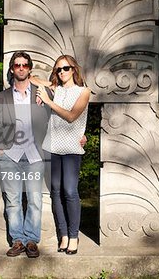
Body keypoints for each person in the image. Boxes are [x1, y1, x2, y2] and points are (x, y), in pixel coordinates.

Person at [0, 51, 50, 258]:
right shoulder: (2, 96)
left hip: (35, 155)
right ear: (12, 69)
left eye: (25, 65)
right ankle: (17, 241)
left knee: (34, 199)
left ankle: (32, 240)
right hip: (10, 155)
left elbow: (61, 93)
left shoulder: (41, 94)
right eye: (17, 65)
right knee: (13, 201)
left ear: (29, 69)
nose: (21, 68)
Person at [36, 55, 91, 255]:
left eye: (66, 68)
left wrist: (47, 101)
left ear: (74, 69)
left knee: (70, 191)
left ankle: (74, 236)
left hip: (71, 149)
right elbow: (32, 79)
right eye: (58, 69)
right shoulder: (54, 88)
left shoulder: (84, 92)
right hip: (51, 147)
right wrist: (39, 90)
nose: (62, 72)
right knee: (56, 192)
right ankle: (64, 236)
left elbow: (71, 116)